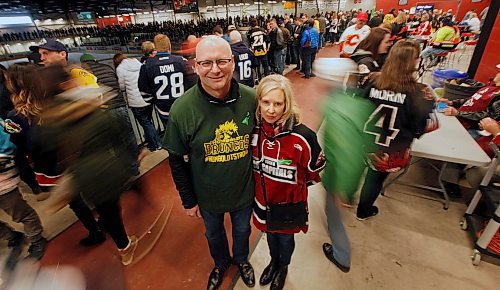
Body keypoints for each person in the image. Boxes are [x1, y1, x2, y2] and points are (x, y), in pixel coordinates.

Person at [163, 36, 256, 290]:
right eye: (206, 63)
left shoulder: (251, 99)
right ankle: (221, 264)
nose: (215, 69)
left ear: (233, 63)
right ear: (195, 66)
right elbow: (176, 159)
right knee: (213, 234)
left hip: (244, 191)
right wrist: (188, 199)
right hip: (207, 196)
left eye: (222, 61)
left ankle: (241, 259)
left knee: (242, 232)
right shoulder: (182, 110)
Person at [36, 64, 138, 265]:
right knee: (111, 212)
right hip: (108, 170)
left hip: (82, 176)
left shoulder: (48, 120)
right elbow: (118, 137)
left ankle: (116, 237)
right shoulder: (91, 108)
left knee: (105, 210)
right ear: (67, 84)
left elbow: (46, 150)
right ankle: (124, 247)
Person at [252, 75, 325, 290]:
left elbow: (315, 171)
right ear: (258, 102)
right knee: (270, 236)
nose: (271, 110)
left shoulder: (303, 136)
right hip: (263, 202)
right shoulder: (254, 131)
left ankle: (283, 267)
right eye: (266, 102)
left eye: (278, 103)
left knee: (285, 240)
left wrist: (294, 189)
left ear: (287, 103)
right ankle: (273, 262)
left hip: (288, 205)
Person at [356, 40, 438, 220]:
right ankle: (363, 210)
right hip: (393, 149)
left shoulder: (372, 79)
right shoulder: (420, 92)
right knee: (375, 179)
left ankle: (347, 197)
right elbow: (422, 126)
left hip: (364, 140)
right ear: (414, 62)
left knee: (357, 169)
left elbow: (357, 106)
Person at [0, 118, 47, 261]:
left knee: (21, 214)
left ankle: (37, 239)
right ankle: (12, 236)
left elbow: (11, 139)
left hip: (3, 183)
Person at [138, 34, 194, 125]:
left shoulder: (147, 65)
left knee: (171, 135)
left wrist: (155, 101)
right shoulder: (181, 61)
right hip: (182, 107)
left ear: (155, 47)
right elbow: (192, 83)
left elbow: (143, 90)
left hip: (163, 109)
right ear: (169, 46)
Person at [114, 53, 162, 151]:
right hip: (147, 98)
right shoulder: (138, 64)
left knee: (146, 124)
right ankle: (153, 142)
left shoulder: (120, 69)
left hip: (135, 102)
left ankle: (155, 144)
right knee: (148, 122)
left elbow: (122, 87)